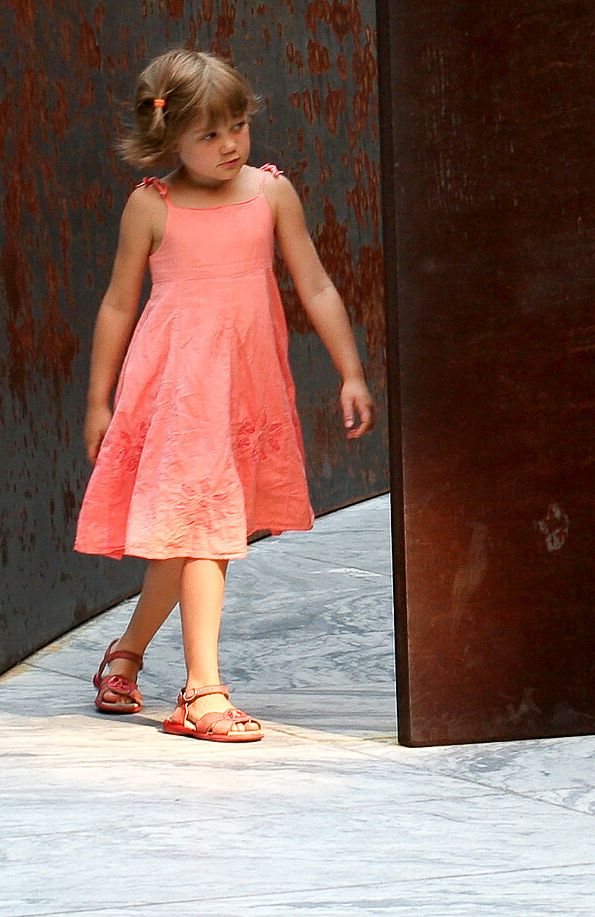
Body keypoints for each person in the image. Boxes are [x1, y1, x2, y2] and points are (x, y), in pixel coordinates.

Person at [72, 48, 375, 743]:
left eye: (237, 124)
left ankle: (124, 654)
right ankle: (201, 692)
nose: (231, 142)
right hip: (178, 391)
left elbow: (317, 284)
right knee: (206, 529)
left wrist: (350, 370)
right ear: (167, 134)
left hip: (244, 389)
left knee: (184, 538)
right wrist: (99, 400)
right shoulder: (153, 206)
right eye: (209, 133)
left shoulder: (271, 194)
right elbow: (119, 305)